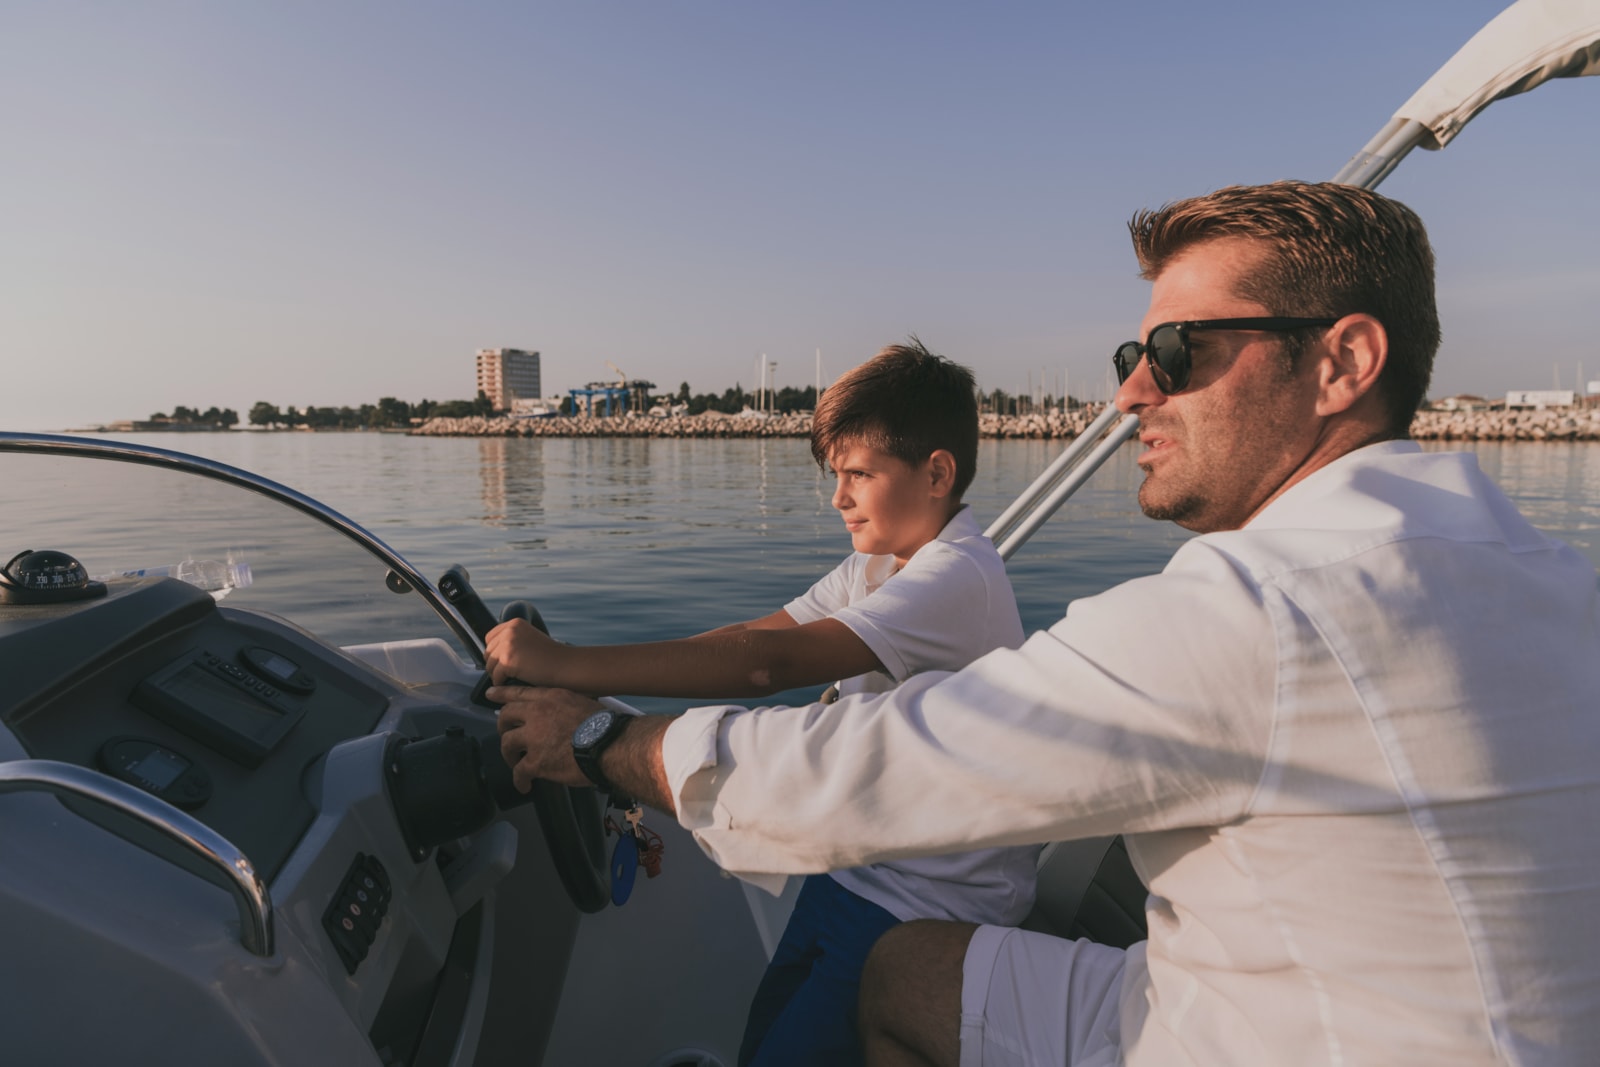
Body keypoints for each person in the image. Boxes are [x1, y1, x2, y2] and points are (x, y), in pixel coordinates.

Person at [492, 181, 1600, 1066]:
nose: (1129, 394)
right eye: (1132, 357)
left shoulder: (1266, 608)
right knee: (909, 972)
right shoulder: (1548, 572)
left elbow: (867, 768)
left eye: (1177, 352)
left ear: (1343, 362)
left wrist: (600, 737)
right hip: (1318, 990)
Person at [485, 341, 1036, 1067]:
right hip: (858, 864)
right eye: (835, 476)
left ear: (937, 473)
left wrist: (562, 664)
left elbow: (768, 666)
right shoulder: (879, 562)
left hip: (928, 902)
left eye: (859, 475)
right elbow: (756, 635)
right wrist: (592, 684)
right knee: (764, 1039)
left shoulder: (957, 576)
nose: (838, 498)